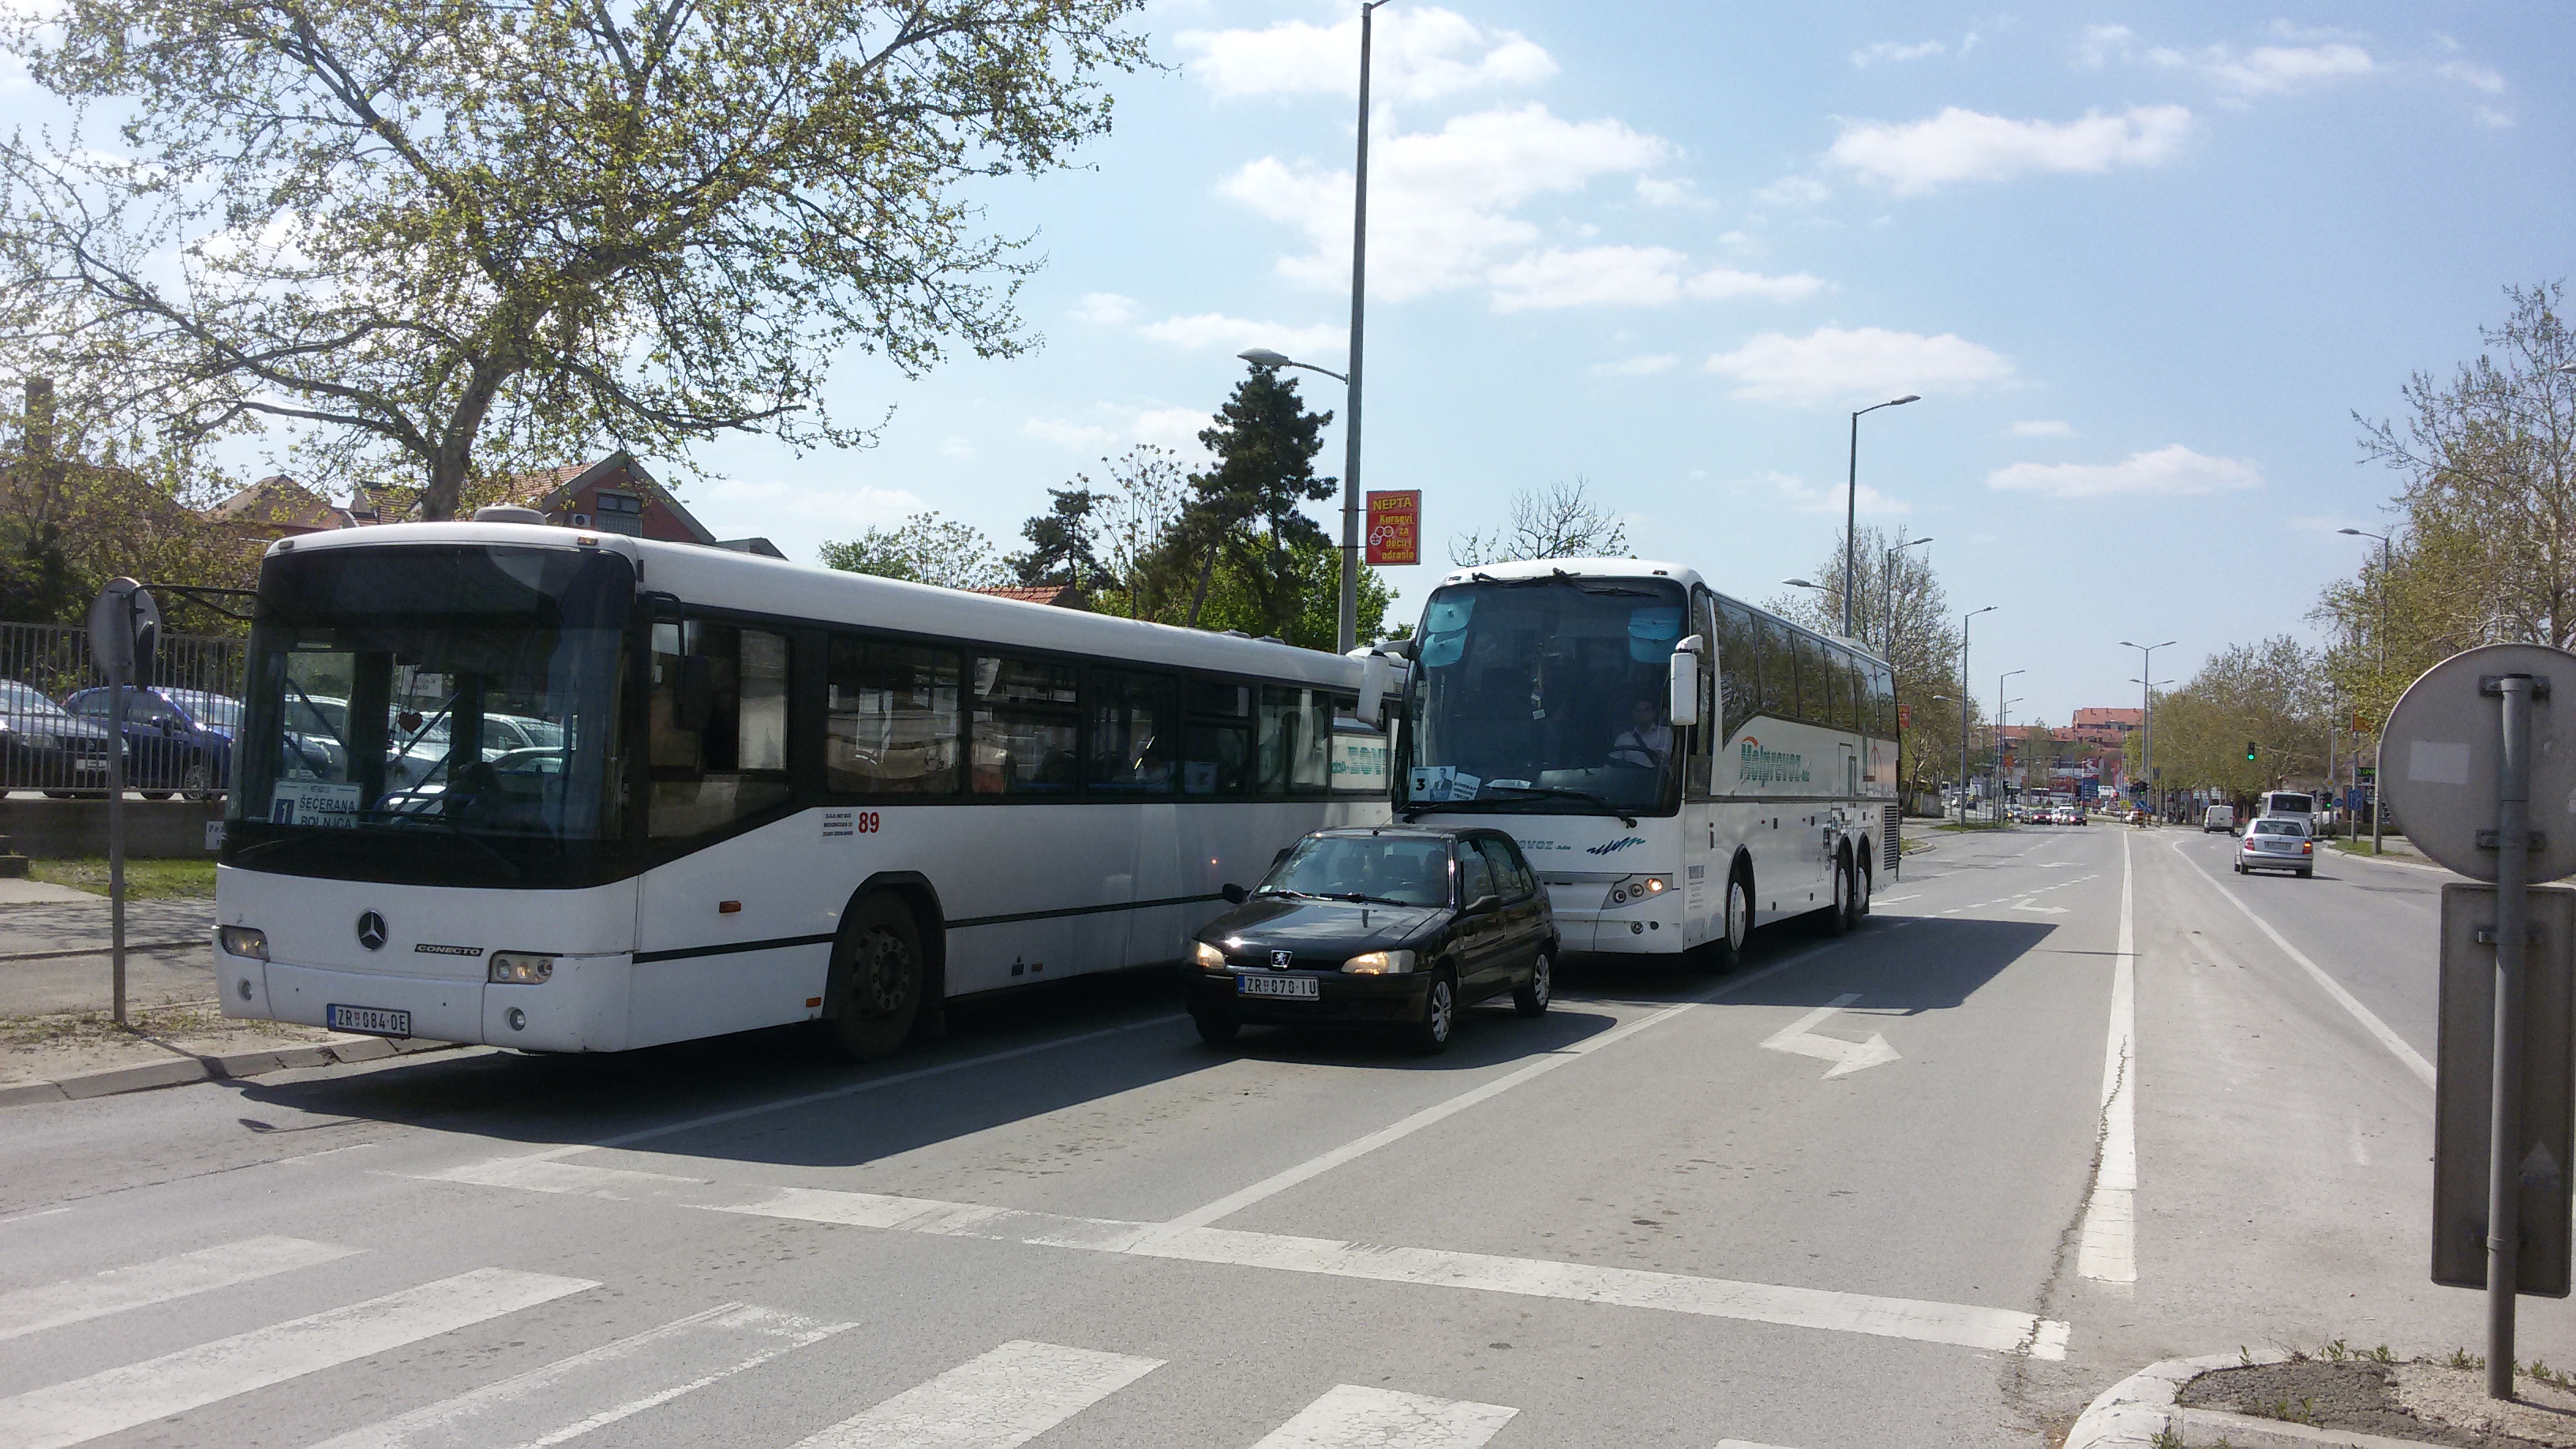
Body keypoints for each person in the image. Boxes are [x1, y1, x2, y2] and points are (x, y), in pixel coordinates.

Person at [1608, 696, 1672, 771]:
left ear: (1654, 713)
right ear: (1633, 714)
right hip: (1629, 779)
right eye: (1638, 710)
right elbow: (1612, 764)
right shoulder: (1623, 738)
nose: (1642, 714)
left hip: (1658, 779)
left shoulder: (1665, 733)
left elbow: (1664, 757)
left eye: (1646, 710)